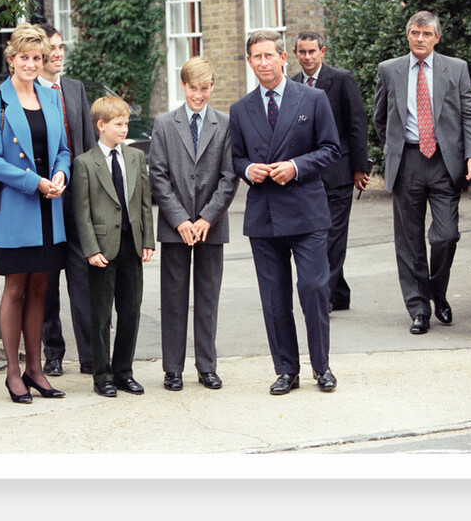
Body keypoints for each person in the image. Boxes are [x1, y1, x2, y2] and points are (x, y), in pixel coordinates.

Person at [230, 30, 341, 394]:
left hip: (307, 212)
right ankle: (286, 370)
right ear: (249, 62)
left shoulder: (313, 98)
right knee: (275, 299)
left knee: (313, 288)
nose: (262, 63)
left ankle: (321, 367)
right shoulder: (241, 109)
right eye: (255, 57)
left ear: (283, 58)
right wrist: (248, 170)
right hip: (264, 216)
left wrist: (295, 166)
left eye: (268, 56)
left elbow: (330, 149)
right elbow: (236, 158)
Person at [373, 10, 471, 335]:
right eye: (414, 33)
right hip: (407, 161)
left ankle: (438, 292)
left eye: (426, 34)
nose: (419, 39)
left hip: (444, 163)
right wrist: (395, 150)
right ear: (407, 35)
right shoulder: (389, 70)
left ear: (437, 38)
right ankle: (419, 309)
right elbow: (381, 117)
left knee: (446, 235)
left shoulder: (456, 69)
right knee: (408, 242)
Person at [0, 23, 70, 403]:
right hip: (19, 207)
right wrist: (35, 182)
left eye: (38, 58)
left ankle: (36, 369)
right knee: (15, 288)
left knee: (41, 287)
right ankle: (13, 373)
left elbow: (63, 149)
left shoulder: (50, 98)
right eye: (25, 58)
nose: (32, 64)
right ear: (11, 58)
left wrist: (61, 172)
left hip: (51, 208)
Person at [148, 57, 238, 392]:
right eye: (192, 88)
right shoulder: (165, 124)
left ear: (212, 87)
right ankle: (172, 368)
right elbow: (157, 176)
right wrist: (181, 220)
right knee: (173, 297)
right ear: (182, 86)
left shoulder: (224, 124)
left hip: (211, 226)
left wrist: (206, 218)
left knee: (207, 297)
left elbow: (229, 178)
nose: (198, 95)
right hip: (176, 228)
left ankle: (206, 365)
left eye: (204, 88)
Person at [72, 96, 155, 397]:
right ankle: (102, 375)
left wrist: (148, 240)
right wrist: (91, 249)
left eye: (126, 123)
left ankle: (123, 372)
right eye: (119, 124)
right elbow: (81, 212)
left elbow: (144, 203)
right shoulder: (84, 163)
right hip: (102, 251)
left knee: (131, 311)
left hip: (132, 246)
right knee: (101, 314)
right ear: (101, 126)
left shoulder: (135, 157)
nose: (124, 129)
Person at [293, 31, 371, 313]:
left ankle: (323, 295)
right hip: (306, 176)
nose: (308, 57)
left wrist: (360, 168)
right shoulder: (292, 84)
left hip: (339, 172)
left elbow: (357, 124)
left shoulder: (341, 79)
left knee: (333, 236)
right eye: (302, 52)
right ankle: (341, 294)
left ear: (322, 51)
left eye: (312, 51)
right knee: (315, 234)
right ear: (295, 53)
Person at [34, 22, 96, 377]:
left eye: (60, 47)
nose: (57, 54)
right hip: (44, 196)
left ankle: (90, 356)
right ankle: (53, 352)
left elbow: (87, 145)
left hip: (76, 198)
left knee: (83, 277)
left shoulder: (75, 89)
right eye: (50, 48)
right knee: (46, 280)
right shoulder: (27, 92)